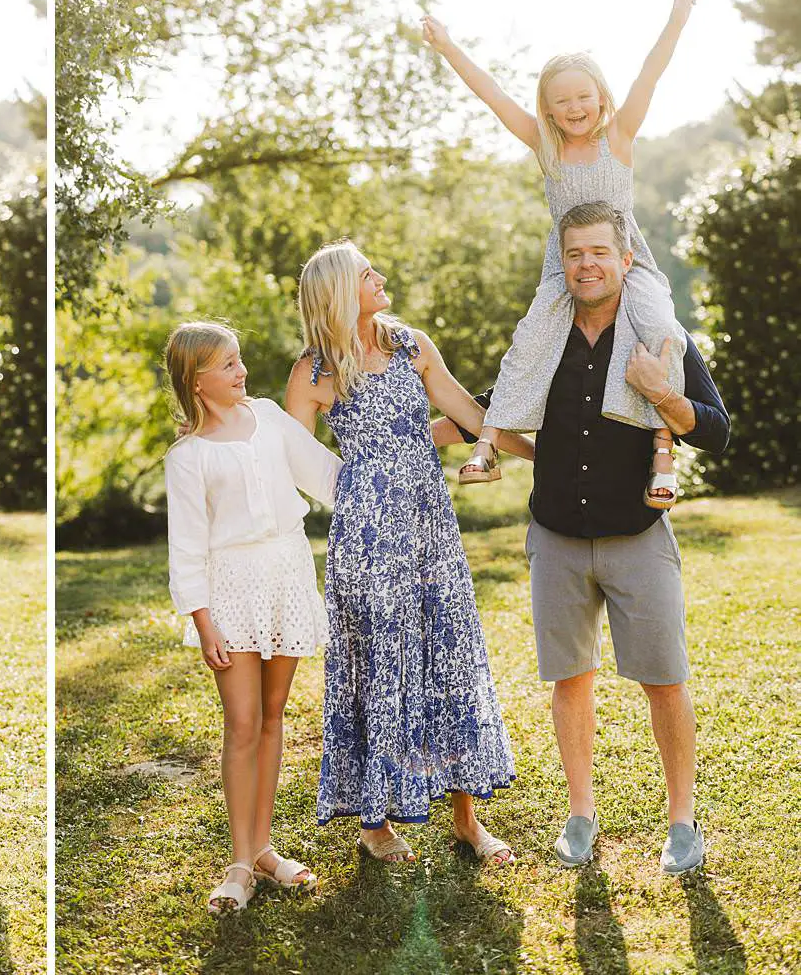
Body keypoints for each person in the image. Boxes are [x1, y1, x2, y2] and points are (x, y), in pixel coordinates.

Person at [436, 200, 730, 875]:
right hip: (557, 537)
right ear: (561, 263)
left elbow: (716, 429)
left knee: (665, 679)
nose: (586, 265)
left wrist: (664, 394)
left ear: (626, 260)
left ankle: (682, 822)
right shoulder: (544, 339)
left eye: (599, 252)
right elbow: (491, 408)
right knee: (570, 679)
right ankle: (579, 815)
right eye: (574, 254)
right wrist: (402, 439)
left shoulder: (660, 335)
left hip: (638, 535)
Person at [286, 242, 529, 866]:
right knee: (379, 666)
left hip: (429, 527)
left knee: (449, 655)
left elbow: (468, 413)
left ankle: (466, 820)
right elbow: (292, 463)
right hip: (366, 538)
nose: (380, 277)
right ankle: (375, 824)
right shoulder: (313, 373)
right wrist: (355, 486)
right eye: (366, 273)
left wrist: (540, 448)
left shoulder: (411, 346)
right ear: (339, 292)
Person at [422, 0, 700, 509]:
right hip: (566, 262)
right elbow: (493, 95)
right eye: (562, 100)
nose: (574, 108)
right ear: (547, 108)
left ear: (601, 97)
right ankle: (487, 445)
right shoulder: (544, 144)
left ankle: (663, 454)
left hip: (624, 256)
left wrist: (676, 20)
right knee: (532, 337)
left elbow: (650, 74)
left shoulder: (618, 137)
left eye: (583, 97)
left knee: (661, 326)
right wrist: (448, 47)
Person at [163, 321, 342, 914]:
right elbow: (187, 547)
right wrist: (203, 620)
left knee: (272, 715)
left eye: (239, 359)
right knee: (241, 722)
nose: (241, 371)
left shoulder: (267, 416)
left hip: (287, 573)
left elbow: (327, 476)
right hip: (231, 590)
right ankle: (239, 862)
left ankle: (263, 848)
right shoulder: (187, 457)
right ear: (197, 380)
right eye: (227, 365)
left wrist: (394, 466)